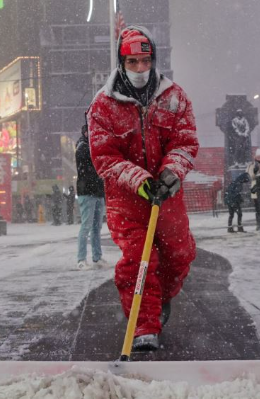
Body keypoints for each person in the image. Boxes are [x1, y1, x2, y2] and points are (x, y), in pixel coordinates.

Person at [87, 26, 199, 352]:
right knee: (139, 259)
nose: (139, 69)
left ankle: (160, 299)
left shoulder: (175, 97)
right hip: (127, 198)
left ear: (154, 60)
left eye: (145, 61)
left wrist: (170, 173)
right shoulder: (103, 105)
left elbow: (185, 141)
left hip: (167, 194)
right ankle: (144, 325)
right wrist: (139, 181)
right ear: (121, 62)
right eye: (132, 61)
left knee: (179, 255)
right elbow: (104, 156)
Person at [75, 124, 106, 270]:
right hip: (87, 192)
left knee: (96, 227)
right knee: (86, 226)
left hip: (98, 191)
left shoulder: (94, 147)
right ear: (85, 133)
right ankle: (81, 259)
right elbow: (92, 163)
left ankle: (97, 257)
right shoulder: (82, 147)